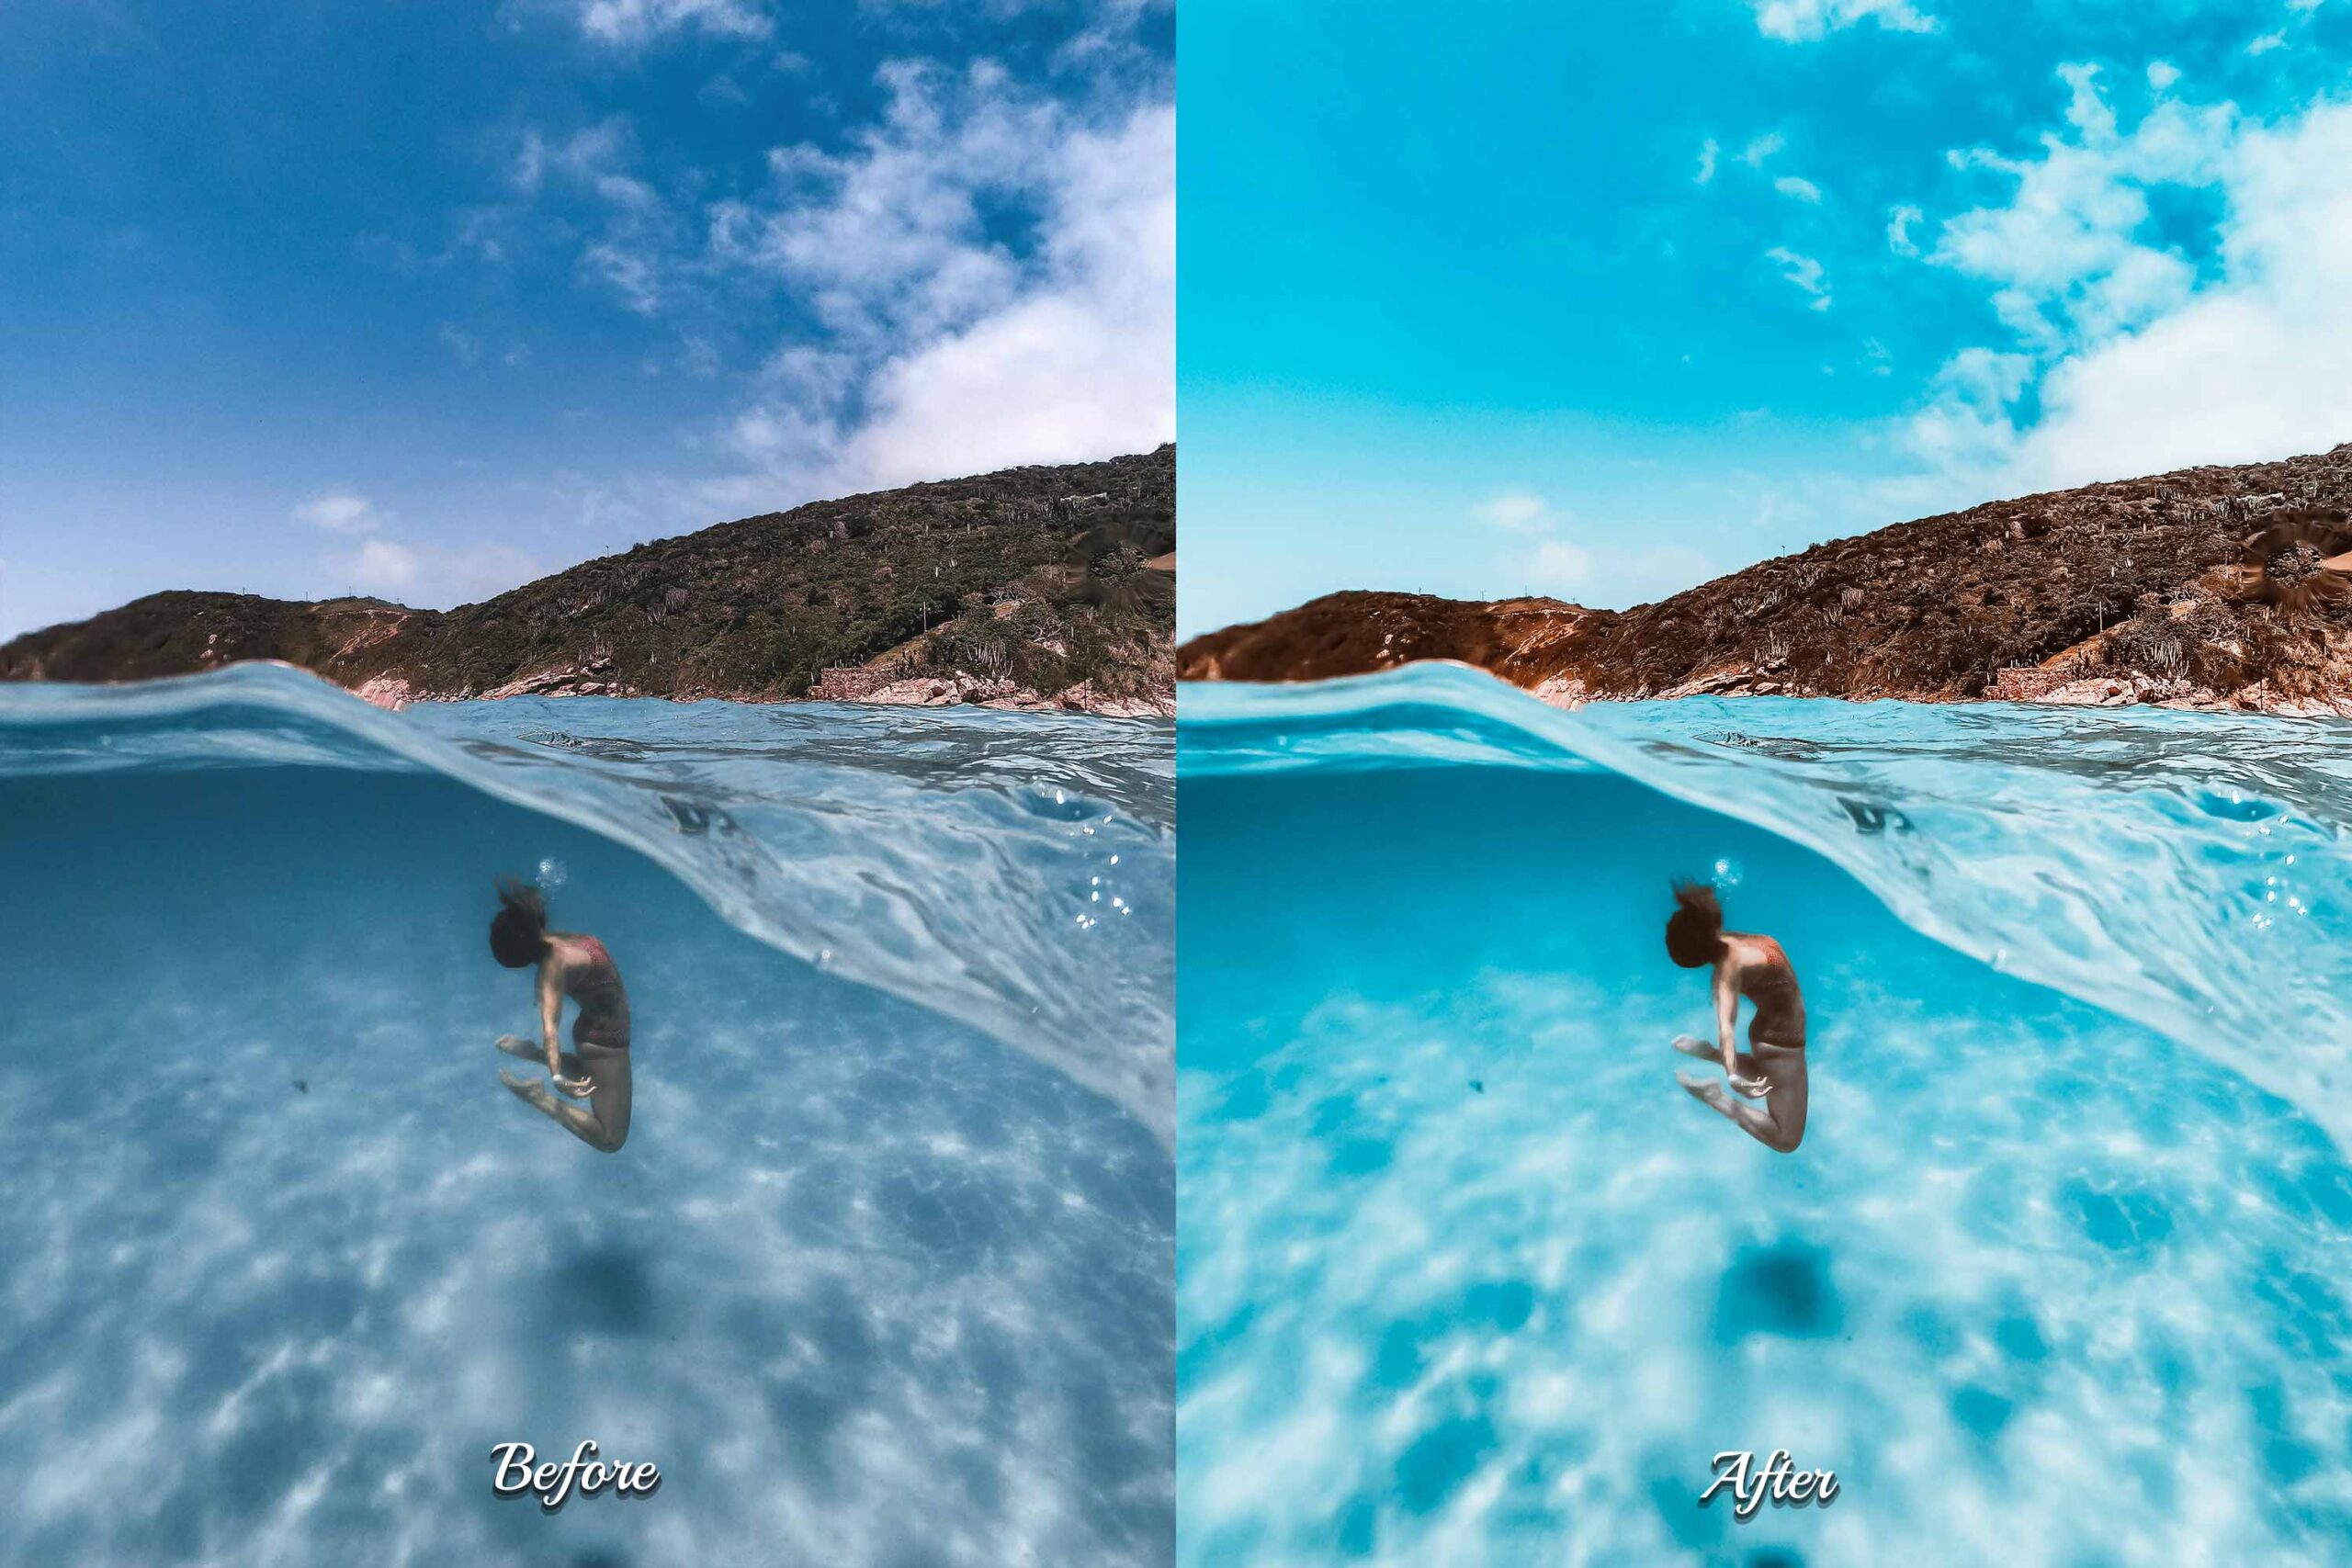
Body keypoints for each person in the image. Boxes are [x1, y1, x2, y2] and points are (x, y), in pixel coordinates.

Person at [488, 878, 632, 1153]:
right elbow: (550, 1030)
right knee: (610, 1139)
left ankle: (532, 1053)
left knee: (590, 1076)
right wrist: (556, 1077)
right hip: (605, 1043)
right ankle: (537, 1097)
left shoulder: (555, 944)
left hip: (601, 1035)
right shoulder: (555, 960)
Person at [1663, 881, 1807, 1154]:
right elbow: (1726, 1030)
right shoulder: (1729, 962)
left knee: (1768, 1078)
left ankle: (1709, 1053)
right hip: (1781, 1043)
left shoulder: (1726, 943)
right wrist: (1733, 1078)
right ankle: (1714, 1097)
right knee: (1786, 1139)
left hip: (1775, 1037)